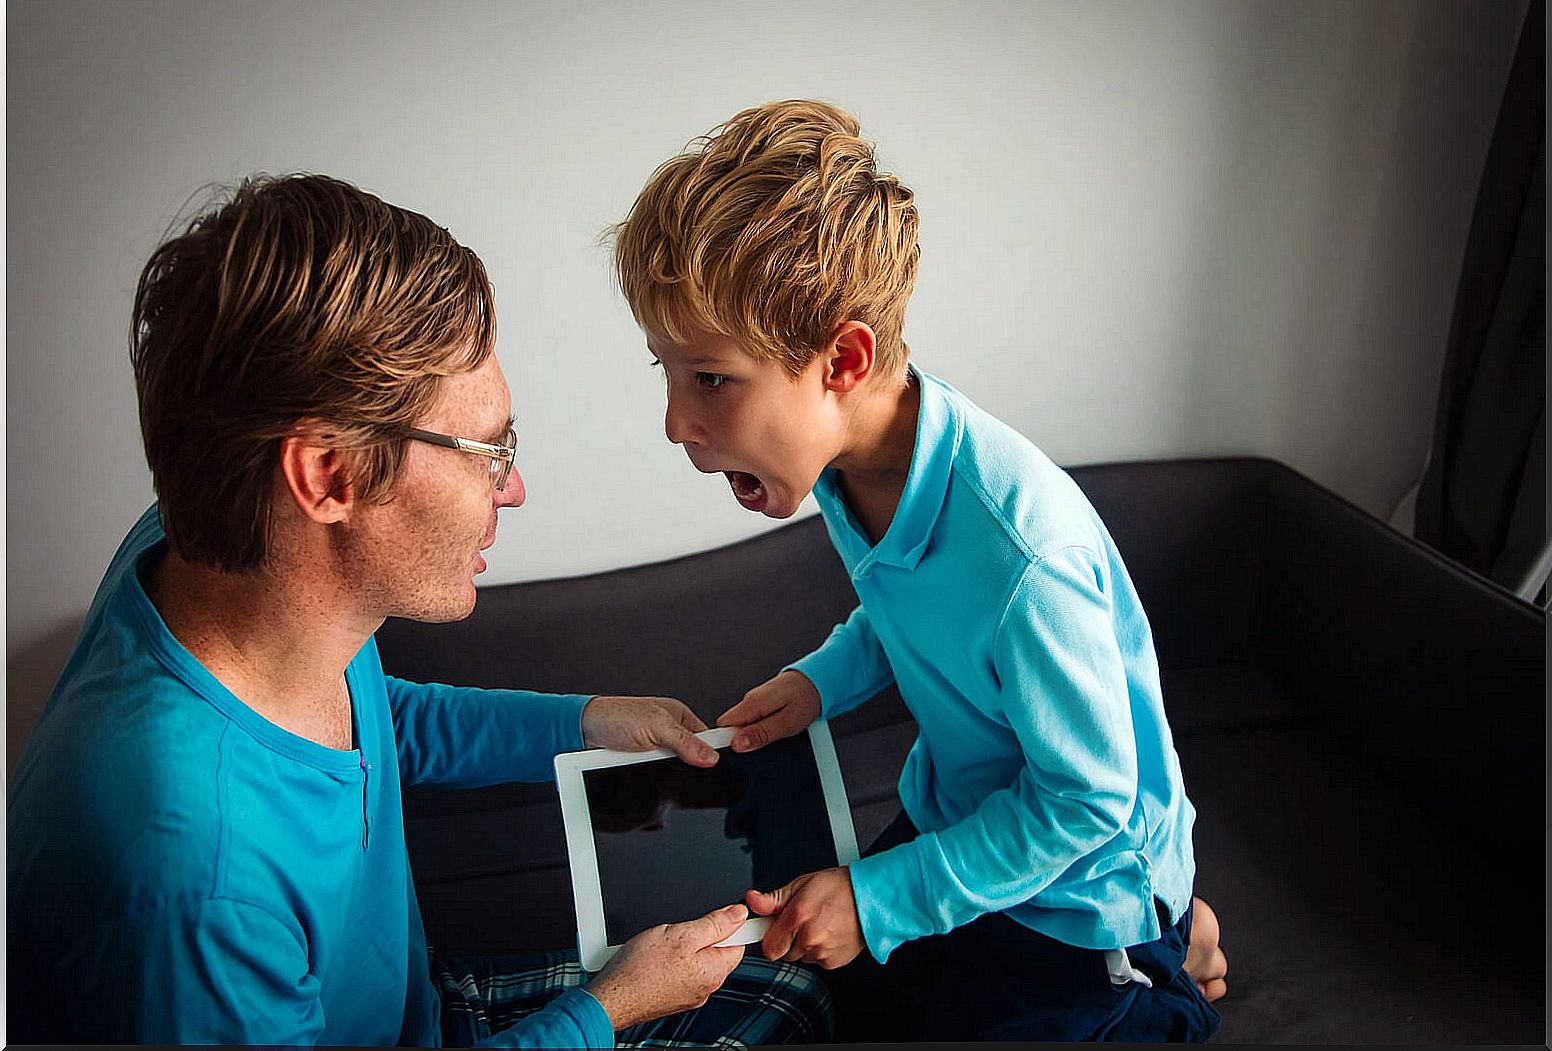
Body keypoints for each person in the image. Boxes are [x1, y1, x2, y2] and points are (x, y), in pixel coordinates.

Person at [6, 174, 831, 1047]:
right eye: (488, 450)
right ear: (327, 476)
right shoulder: (197, 881)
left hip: (419, 1008)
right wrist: (611, 1006)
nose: (513, 488)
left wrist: (585, 721)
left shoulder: (219, 552)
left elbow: (364, 719)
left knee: (790, 987)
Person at [608, 100, 1229, 1041]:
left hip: (1078, 901)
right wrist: (822, 679)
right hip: (960, 831)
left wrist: (880, 898)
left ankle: (1166, 950)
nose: (675, 422)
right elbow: (909, 612)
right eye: (666, 373)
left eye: (710, 379)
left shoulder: (1027, 558)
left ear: (843, 361)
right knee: (802, 1000)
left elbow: (1088, 800)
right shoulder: (850, 468)